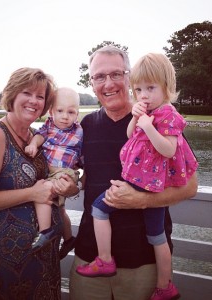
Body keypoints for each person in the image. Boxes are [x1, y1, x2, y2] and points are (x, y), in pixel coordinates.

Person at [69, 46, 198, 300]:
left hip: (144, 263)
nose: (108, 84)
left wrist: (143, 200)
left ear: (129, 78)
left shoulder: (160, 119)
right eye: (99, 77)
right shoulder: (85, 125)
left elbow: (191, 186)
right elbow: (80, 174)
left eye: (117, 74)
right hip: (90, 257)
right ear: (91, 82)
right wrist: (68, 182)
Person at [0, 67, 77, 299]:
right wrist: (31, 194)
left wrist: (72, 187)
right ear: (13, 94)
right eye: (28, 93)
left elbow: (54, 178)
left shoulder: (36, 135)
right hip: (9, 252)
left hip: (45, 251)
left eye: (40, 96)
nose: (34, 101)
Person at [25, 87, 83, 259]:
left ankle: (45, 231)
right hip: (49, 171)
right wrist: (34, 144)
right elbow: (40, 136)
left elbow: (84, 155)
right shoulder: (49, 125)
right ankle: (69, 239)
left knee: (43, 191)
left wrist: (80, 180)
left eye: (71, 112)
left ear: (77, 114)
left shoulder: (79, 131)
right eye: (60, 111)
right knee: (60, 210)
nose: (65, 116)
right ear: (51, 111)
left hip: (66, 172)